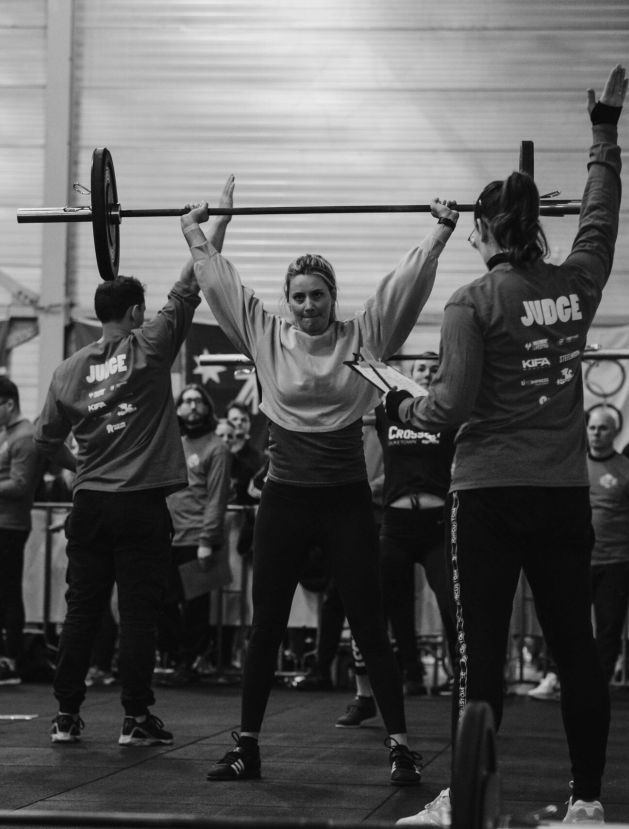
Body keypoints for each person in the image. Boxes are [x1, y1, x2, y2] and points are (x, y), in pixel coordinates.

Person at [387, 65, 626, 826]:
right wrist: (603, 134)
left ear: (485, 231)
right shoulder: (577, 285)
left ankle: (465, 800)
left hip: (487, 495)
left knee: (480, 654)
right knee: (576, 651)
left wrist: (399, 401)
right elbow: (600, 220)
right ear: (535, 227)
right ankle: (586, 802)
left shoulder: (471, 302)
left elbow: (448, 407)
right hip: (561, 497)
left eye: (474, 229)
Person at [180, 181, 459, 785]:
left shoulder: (364, 337)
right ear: (287, 301)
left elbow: (404, 286)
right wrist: (197, 232)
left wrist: (440, 230)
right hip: (284, 501)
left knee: (370, 625)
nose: (308, 306)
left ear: (334, 298)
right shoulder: (265, 336)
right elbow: (222, 286)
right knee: (265, 627)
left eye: (318, 295)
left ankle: (400, 746)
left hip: (345, 503)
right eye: (300, 297)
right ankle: (247, 746)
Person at [34, 200, 232, 746]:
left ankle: (65, 717)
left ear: (101, 313)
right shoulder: (150, 345)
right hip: (141, 505)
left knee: (82, 612)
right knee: (139, 614)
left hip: (90, 506)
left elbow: (44, 441)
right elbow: (191, 282)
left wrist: (79, 467)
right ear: (137, 311)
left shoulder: (66, 371)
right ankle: (136, 719)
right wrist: (216, 225)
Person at [336, 352, 457, 727]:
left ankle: (467, 687)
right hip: (396, 525)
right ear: (407, 374)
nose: (427, 373)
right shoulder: (389, 410)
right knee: (378, 609)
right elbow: (368, 372)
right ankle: (370, 694)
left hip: (437, 526)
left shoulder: (448, 415)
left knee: (454, 607)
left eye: (434, 369)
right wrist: (370, 355)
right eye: (420, 368)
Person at [159, 383, 232, 685]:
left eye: (197, 401)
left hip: (198, 538)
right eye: (186, 401)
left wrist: (207, 540)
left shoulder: (217, 448)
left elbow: (217, 498)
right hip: (169, 537)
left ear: (206, 407)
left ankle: (189, 663)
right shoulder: (173, 444)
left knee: (195, 609)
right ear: (177, 409)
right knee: (163, 602)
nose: (191, 405)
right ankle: (178, 657)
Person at [0, 376, 41, 686]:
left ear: (9, 403)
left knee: (9, 591)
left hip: (10, 525)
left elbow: (21, 485)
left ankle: (12, 659)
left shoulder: (25, 436)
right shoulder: (7, 434)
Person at [586, 405, 629, 685]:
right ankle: (565, 678)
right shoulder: (574, 466)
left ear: (614, 432)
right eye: (592, 428)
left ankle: (599, 685)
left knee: (609, 627)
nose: (596, 433)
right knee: (568, 624)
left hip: (616, 559)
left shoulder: (625, 468)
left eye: (602, 428)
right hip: (579, 559)